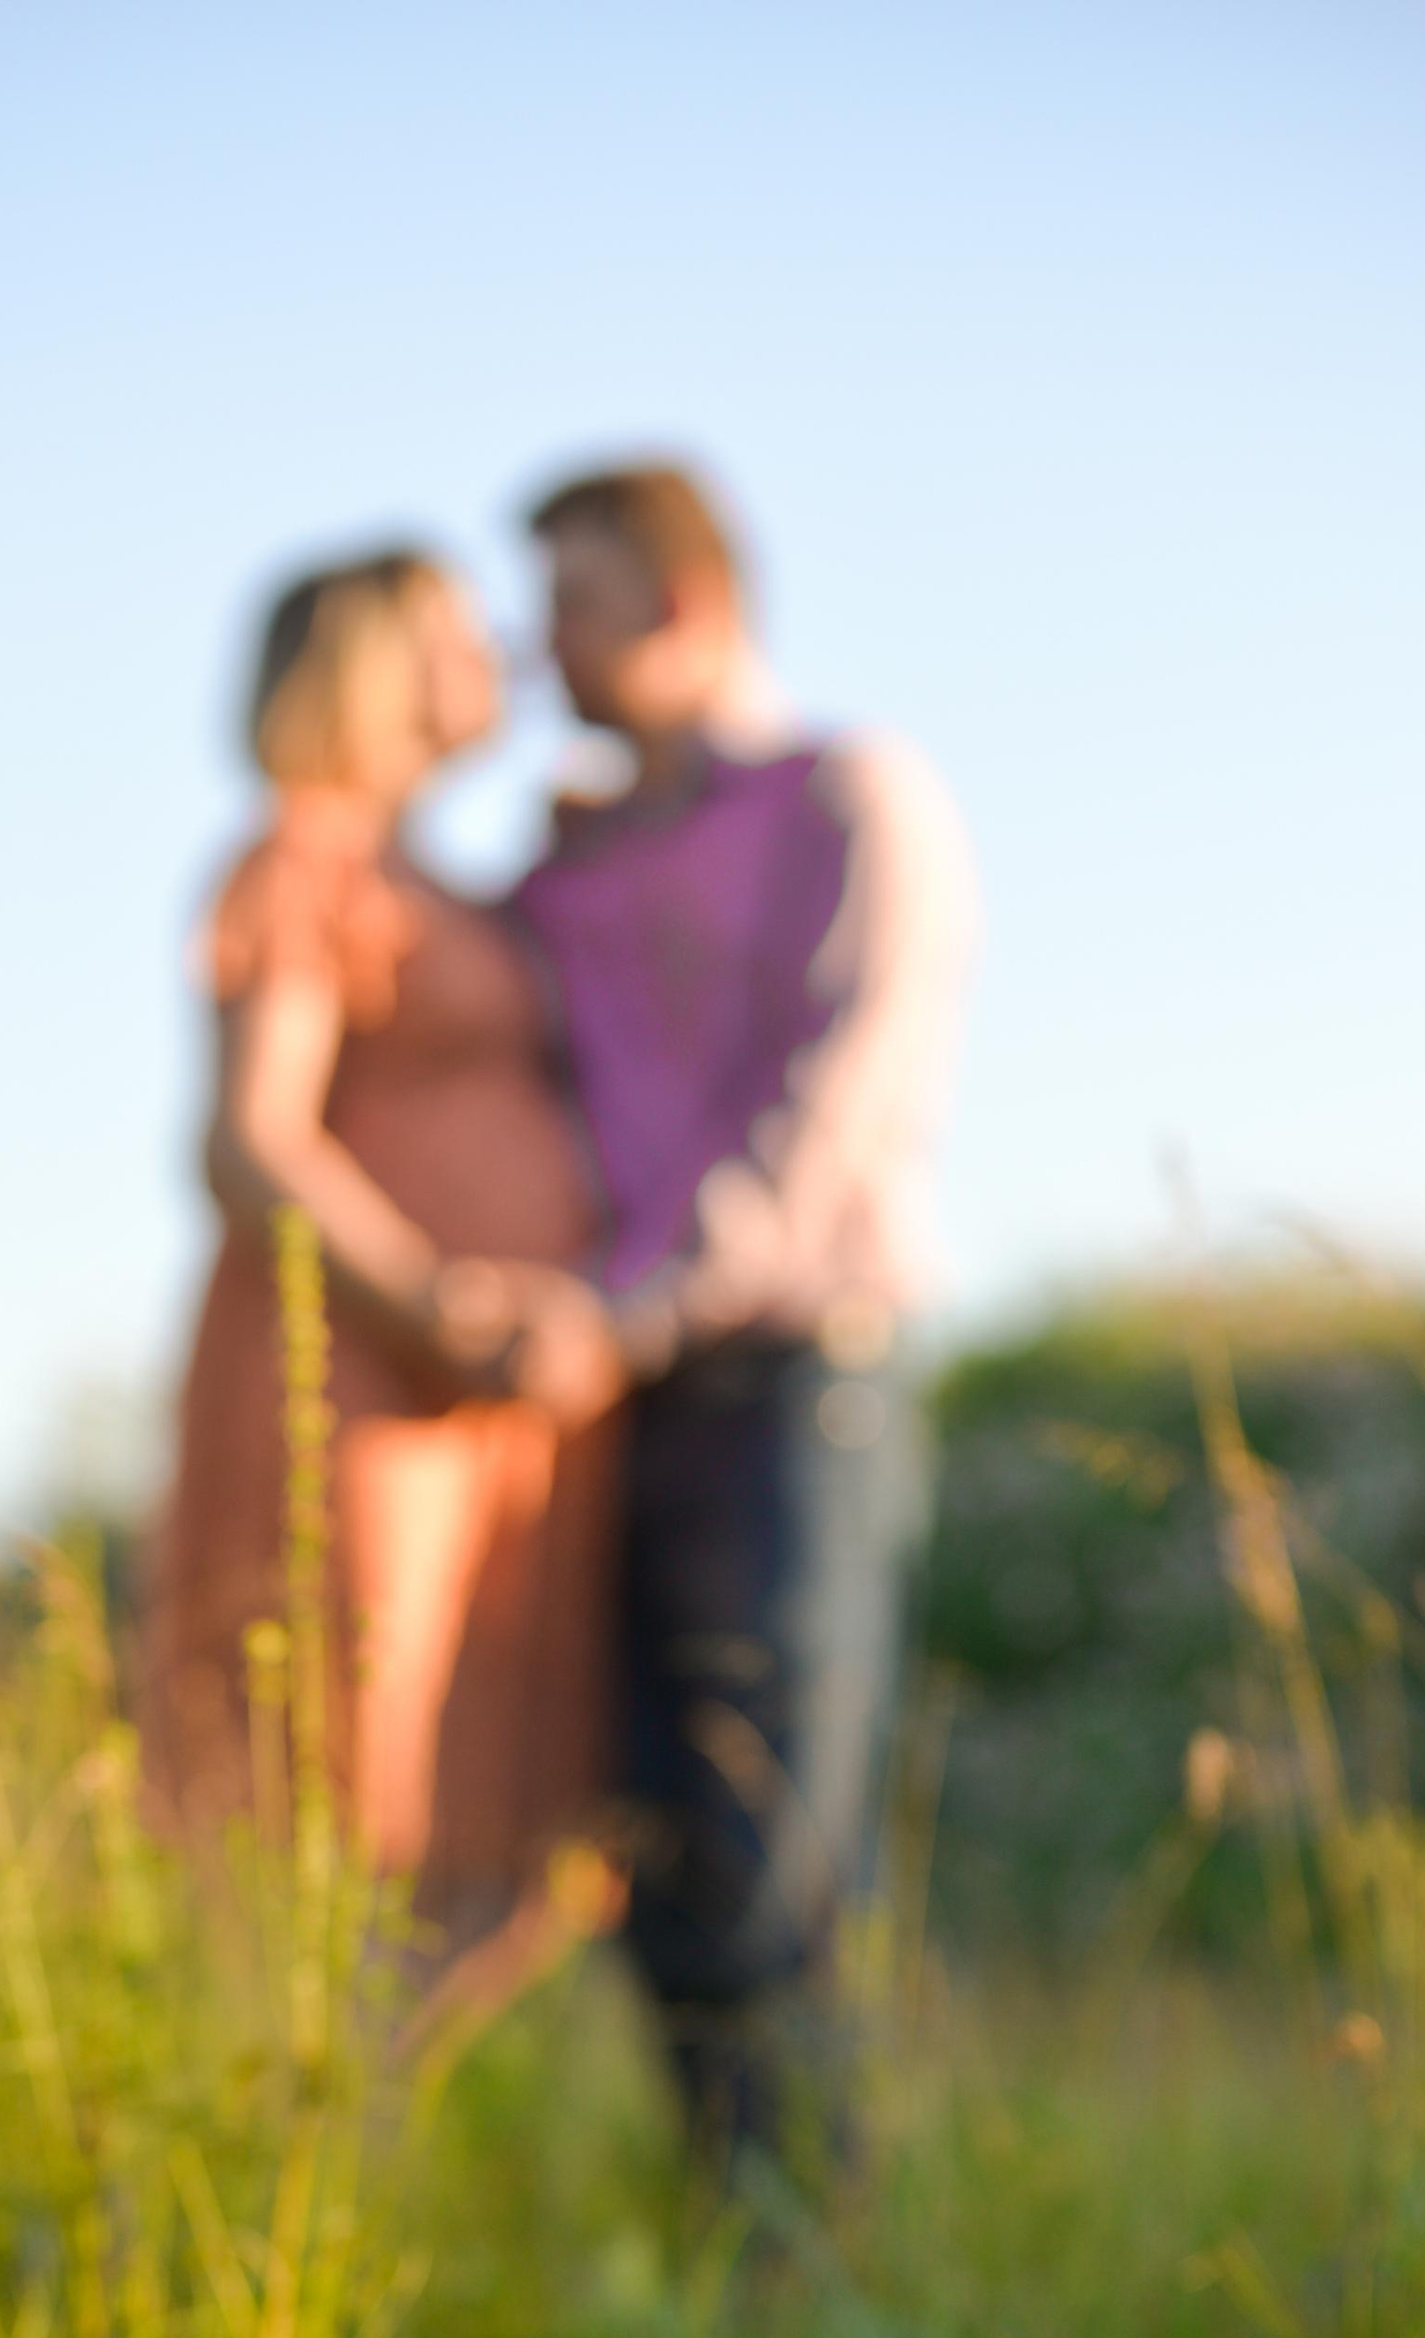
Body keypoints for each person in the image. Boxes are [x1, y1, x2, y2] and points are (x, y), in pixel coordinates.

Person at [506, 461, 980, 2164]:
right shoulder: (560, 870)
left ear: (686, 607)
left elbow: (830, 1107)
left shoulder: (847, 799)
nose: (535, 643)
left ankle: (811, 2277)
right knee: (645, 1838)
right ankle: (731, 2249)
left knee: (772, 1840)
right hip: (605, 1396)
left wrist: (623, 1310)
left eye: (571, 599)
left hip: (793, 1379)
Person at [142, 548, 625, 1953]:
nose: (504, 656)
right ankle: (316, 2141)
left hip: (492, 1400)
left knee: (508, 1829)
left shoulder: (475, 888)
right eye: (460, 633)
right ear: (374, 662)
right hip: (361, 1375)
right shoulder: (302, 858)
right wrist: (432, 1302)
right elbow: (250, 1138)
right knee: (347, 1789)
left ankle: (382, 2137)